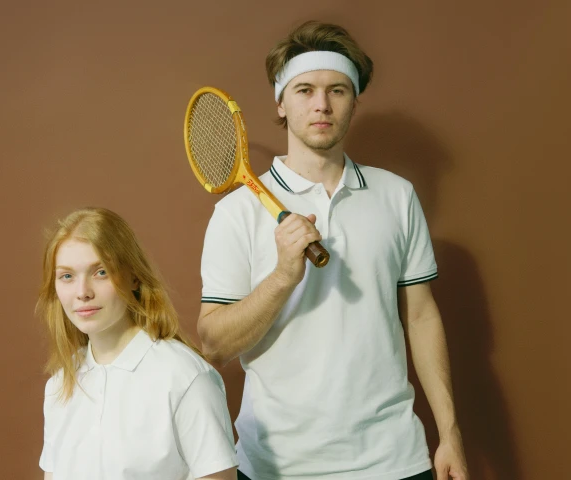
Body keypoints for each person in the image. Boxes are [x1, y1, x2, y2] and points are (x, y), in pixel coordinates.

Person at [197, 21, 469, 480]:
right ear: (280, 102)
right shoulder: (236, 212)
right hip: (278, 467)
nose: (321, 104)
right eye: (304, 89)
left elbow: (421, 316)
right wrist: (284, 275)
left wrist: (450, 432)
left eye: (337, 90)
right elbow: (213, 343)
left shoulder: (396, 195)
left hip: (395, 460)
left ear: (355, 101)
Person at [37, 207, 238, 480]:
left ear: (133, 276)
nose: (82, 292)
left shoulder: (184, 377)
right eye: (67, 276)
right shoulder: (60, 386)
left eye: (101, 272)